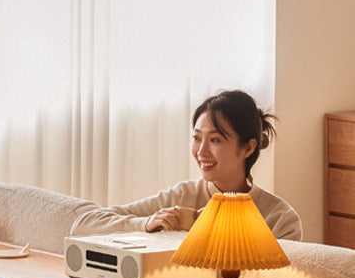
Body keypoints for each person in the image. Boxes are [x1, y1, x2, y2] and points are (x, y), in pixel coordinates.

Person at [70, 89, 303, 240]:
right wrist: (146, 223)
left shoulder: (280, 219)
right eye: (196, 138)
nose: (201, 151)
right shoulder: (181, 198)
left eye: (215, 140)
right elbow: (85, 224)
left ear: (248, 148)